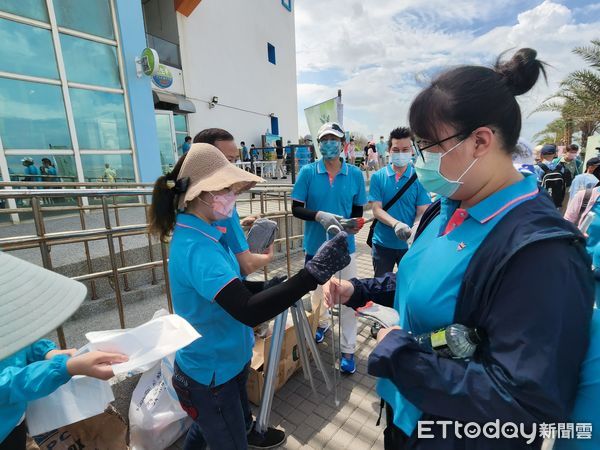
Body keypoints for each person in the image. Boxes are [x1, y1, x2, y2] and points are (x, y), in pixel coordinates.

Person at [323, 48, 594, 449]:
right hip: (405, 417)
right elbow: (423, 282)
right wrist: (361, 290)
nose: (418, 159)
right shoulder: (446, 205)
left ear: (480, 142)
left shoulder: (540, 253)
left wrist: (402, 357)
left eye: (429, 145)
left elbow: (525, 406)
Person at [148, 143, 350, 450]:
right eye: (227, 189)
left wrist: (275, 287)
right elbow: (247, 310)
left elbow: (232, 292)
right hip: (213, 378)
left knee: (205, 430)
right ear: (204, 193)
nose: (232, 196)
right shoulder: (198, 247)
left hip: (221, 368)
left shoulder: (205, 233)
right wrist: (311, 275)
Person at [0, 252, 127, 450]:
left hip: (14, 419)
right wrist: (66, 367)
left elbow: (19, 338)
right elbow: (7, 384)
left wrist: (47, 353)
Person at [291, 121, 367, 374]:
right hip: (315, 246)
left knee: (347, 296)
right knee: (316, 296)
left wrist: (355, 224)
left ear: (343, 144)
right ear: (318, 145)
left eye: (333, 140)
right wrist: (319, 215)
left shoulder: (355, 174)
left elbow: (357, 211)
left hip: (345, 248)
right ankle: (321, 324)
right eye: (324, 140)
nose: (328, 144)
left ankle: (347, 349)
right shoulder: (308, 172)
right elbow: (296, 208)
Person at [194, 128, 272, 275]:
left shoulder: (191, 207)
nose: (232, 169)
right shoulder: (220, 203)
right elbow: (246, 266)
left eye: (234, 161)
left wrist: (240, 225)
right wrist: (269, 255)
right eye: (228, 160)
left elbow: (216, 230)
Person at [368, 127, 430, 276]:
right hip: (382, 243)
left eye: (405, 149)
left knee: (408, 285)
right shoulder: (378, 177)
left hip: (409, 245)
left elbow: (422, 210)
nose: (400, 153)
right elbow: (376, 209)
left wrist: (415, 227)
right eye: (396, 149)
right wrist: (396, 224)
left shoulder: (419, 178)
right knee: (381, 288)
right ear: (389, 150)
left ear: (412, 151)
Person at [535, 143, 571, 208]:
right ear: (554, 154)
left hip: (542, 203)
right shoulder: (560, 168)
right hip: (556, 202)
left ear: (541, 155)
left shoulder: (537, 168)